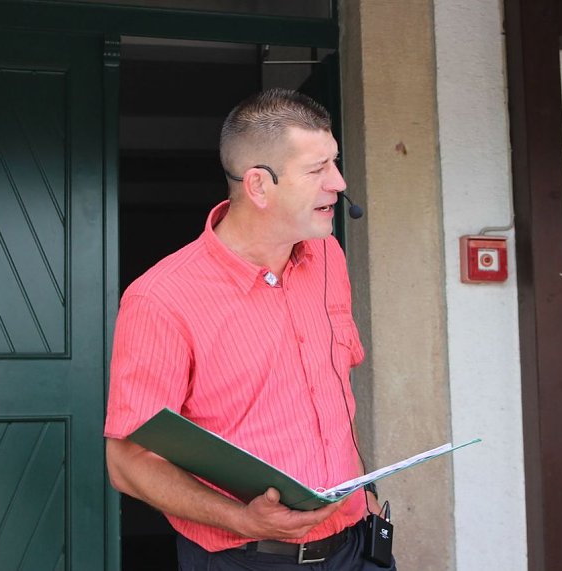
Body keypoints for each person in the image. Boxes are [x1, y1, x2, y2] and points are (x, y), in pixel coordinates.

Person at [104, 88, 395, 570]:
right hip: (245, 558)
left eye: (335, 163)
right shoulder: (160, 299)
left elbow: (333, 392)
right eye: (318, 169)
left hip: (356, 548)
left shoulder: (327, 257)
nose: (339, 183)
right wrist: (244, 519)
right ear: (259, 186)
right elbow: (127, 463)